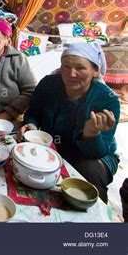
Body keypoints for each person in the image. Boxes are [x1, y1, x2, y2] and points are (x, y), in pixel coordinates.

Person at [19, 43, 120, 203]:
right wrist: (30, 124)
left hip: (94, 156)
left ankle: (96, 218)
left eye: (80, 68)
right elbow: (33, 113)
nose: (71, 74)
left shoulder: (107, 100)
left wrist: (91, 135)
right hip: (52, 147)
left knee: (89, 170)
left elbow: (99, 152)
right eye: (66, 66)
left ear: (95, 71)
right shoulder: (48, 84)